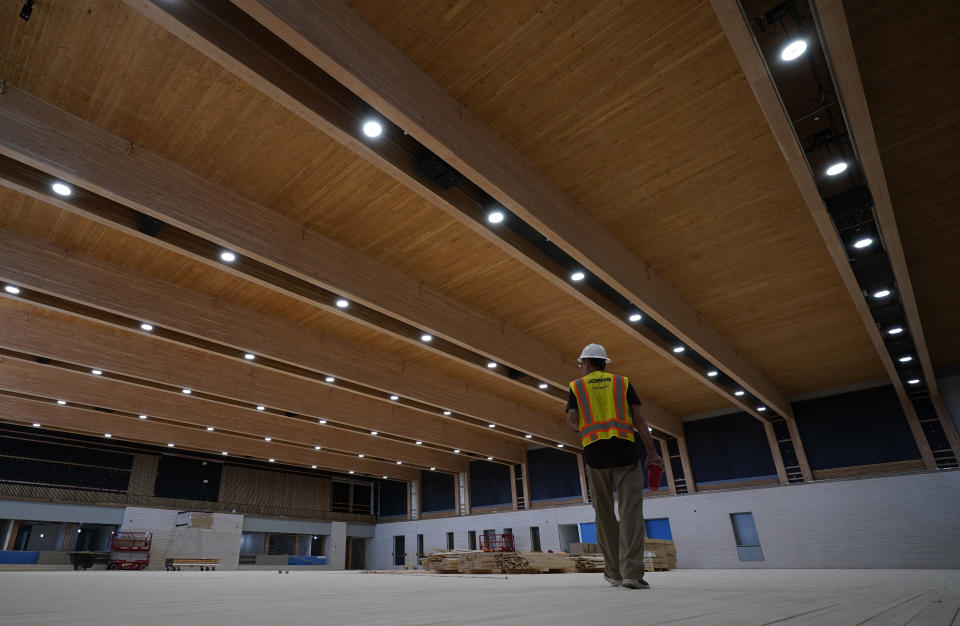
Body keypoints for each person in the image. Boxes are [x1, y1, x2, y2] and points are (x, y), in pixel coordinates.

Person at [566, 343, 663, 589]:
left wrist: (585, 431)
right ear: (604, 363)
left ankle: (613, 573)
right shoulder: (622, 383)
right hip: (625, 454)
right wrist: (651, 452)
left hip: (595, 456)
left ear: (587, 363)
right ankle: (632, 573)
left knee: (604, 515)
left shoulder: (576, 387)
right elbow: (639, 418)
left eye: (581, 364)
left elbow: (572, 420)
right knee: (631, 514)